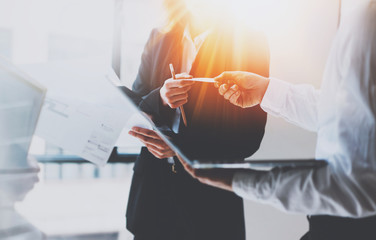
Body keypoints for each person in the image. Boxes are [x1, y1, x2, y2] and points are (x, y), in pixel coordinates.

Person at [178, 1, 376, 240]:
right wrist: (266, 91)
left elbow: (357, 186)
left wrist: (239, 181)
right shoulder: (356, 12)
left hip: (353, 227)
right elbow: (341, 112)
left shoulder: (367, 21)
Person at [125, 0, 269, 239]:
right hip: (152, 203)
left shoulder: (249, 42)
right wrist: (160, 96)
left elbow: (249, 138)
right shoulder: (159, 37)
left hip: (210, 210)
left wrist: (178, 149)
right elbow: (135, 104)